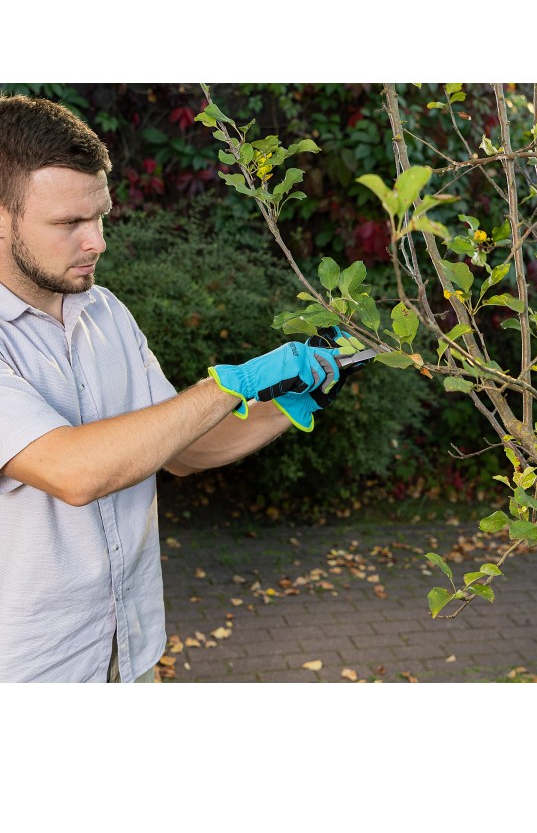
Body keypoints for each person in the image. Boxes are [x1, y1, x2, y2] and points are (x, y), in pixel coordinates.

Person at [0, 94, 347, 683]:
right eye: (69, 224)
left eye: (100, 216)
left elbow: (180, 448)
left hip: (129, 650)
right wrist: (231, 384)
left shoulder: (105, 313)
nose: (97, 241)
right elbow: (74, 471)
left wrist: (288, 402)